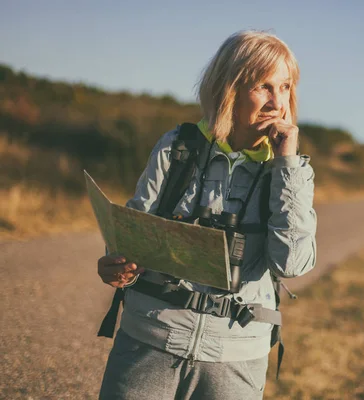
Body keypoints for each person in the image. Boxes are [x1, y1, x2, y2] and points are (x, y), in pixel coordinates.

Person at [96, 30, 317, 399]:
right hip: (150, 338)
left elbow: (291, 263)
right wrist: (117, 264)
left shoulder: (293, 171)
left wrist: (286, 166)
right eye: (263, 86)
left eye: (285, 87)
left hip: (236, 356)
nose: (277, 102)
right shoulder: (177, 147)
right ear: (229, 87)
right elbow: (131, 233)